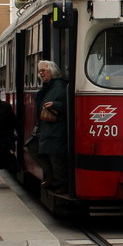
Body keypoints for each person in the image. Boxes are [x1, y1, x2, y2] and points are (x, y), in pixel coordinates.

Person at [34, 59, 69, 194]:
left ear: (52, 72)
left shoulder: (59, 87)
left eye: (44, 70)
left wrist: (55, 105)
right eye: (40, 71)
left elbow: (67, 105)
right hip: (47, 128)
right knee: (37, 150)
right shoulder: (48, 86)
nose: (41, 73)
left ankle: (62, 183)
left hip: (56, 129)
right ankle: (51, 176)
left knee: (56, 158)